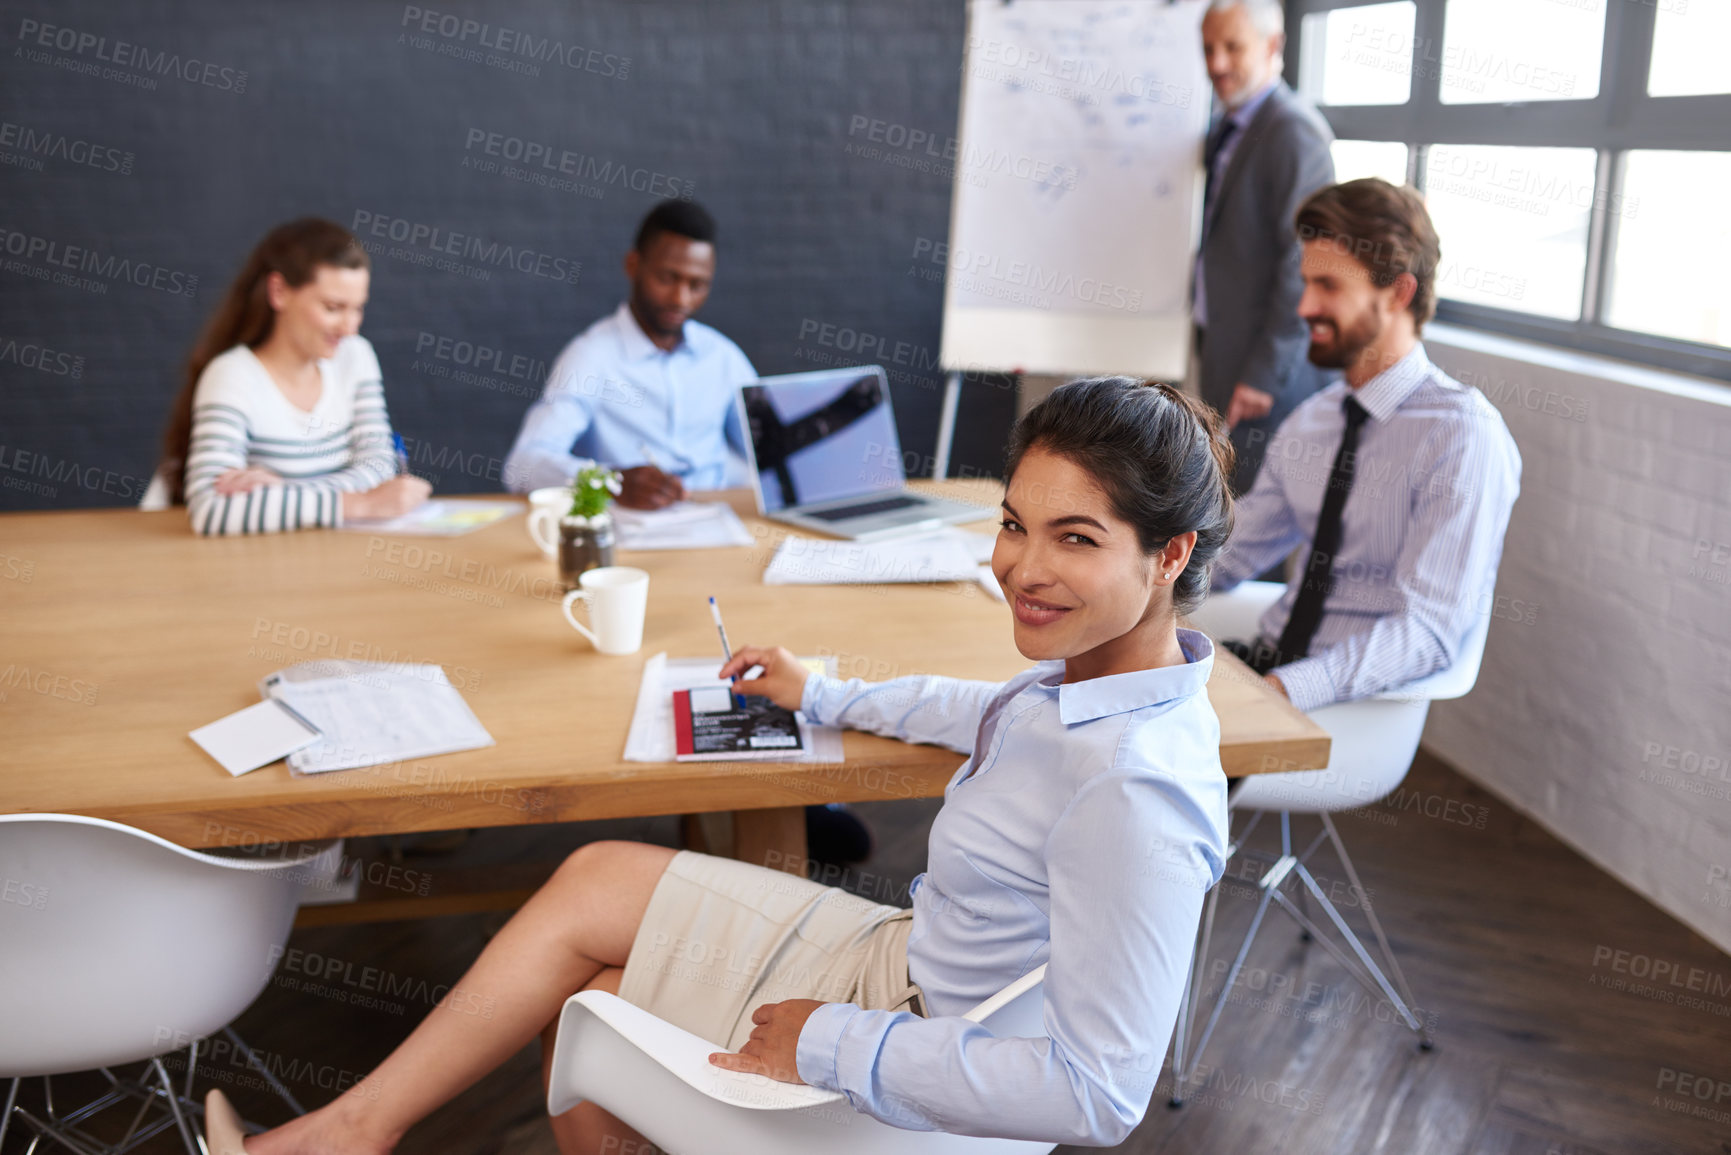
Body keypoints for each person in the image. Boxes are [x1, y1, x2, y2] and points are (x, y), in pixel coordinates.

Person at [205, 377, 1235, 1154]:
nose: (1023, 566)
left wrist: (826, 1043)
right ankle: (351, 1132)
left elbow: (1099, 1095)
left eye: (1076, 539)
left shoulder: (1138, 786)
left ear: (1170, 554)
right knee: (597, 891)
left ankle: (346, 1134)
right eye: (1013, 525)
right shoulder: (1097, 685)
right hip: (912, 969)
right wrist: (821, 691)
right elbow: (987, 711)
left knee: (592, 1020)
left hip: (911, 1037)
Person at [1211, 178, 1522, 712]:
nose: (1304, 306)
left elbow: (1429, 630)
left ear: (1398, 292)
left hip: (1342, 702)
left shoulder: (1462, 435)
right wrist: (1117, 572)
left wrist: (1283, 692)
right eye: (1305, 283)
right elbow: (1232, 554)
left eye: (1328, 285)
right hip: (1268, 663)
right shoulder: (1314, 420)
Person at [160, 218, 432, 536]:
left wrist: (282, 492)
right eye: (333, 307)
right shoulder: (232, 376)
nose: (350, 328)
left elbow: (380, 466)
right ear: (279, 292)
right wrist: (360, 504)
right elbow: (211, 511)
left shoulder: (355, 356)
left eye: (358, 309)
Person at [503, 199, 756, 510]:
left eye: (697, 285)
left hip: (720, 518)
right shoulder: (591, 358)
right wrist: (611, 482)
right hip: (630, 528)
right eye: (667, 278)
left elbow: (768, 451)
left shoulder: (722, 356)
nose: (681, 299)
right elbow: (522, 466)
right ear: (633, 265)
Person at [1194, 0, 1337, 494]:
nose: (1216, 64)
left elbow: (1304, 262)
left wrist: (1263, 374)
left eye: (1233, 47)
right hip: (1225, 353)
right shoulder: (1228, 127)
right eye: (1209, 48)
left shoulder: (1294, 130)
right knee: (1225, 505)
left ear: (1273, 46)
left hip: (1265, 376)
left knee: (1256, 519)